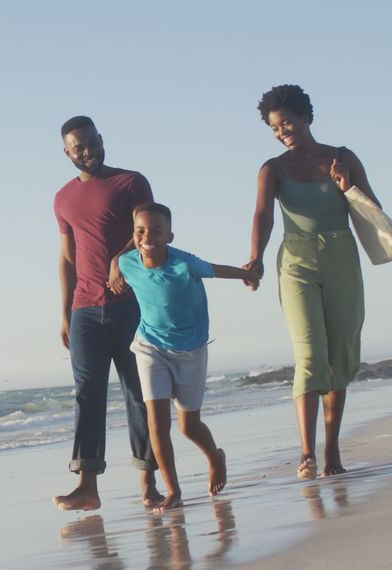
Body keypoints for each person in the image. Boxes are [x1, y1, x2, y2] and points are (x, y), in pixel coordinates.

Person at [242, 85, 382, 479]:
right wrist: (255, 257)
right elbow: (263, 216)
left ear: (306, 116)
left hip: (341, 256)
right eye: (274, 127)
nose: (281, 131)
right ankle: (306, 453)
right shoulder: (273, 168)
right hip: (296, 261)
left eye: (287, 121)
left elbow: (375, 212)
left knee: (340, 354)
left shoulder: (343, 157)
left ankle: (332, 450)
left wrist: (346, 186)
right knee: (309, 354)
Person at [118, 203, 259, 513]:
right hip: (149, 347)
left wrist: (246, 275)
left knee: (188, 426)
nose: (148, 237)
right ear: (133, 235)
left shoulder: (185, 264)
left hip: (191, 351)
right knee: (157, 423)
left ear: (170, 235)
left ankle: (215, 457)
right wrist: (114, 270)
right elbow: (118, 262)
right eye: (140, 231)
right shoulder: (128, 263)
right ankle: (174, 491)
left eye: (156, 231)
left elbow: (216, 269)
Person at [52, 116, 162, 511]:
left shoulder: (131, 183)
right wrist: (65, 314)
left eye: (91, 142)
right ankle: (87, 486)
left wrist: (120, 259)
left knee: (139, 392)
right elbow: (67, 259)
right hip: (84, 309)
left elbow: (147, 232)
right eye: (78, 147)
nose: (88, 151)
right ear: (66, 153)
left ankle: (148, 483)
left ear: (101, 139)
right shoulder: (62, 198)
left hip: (131, 304)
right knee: (87, 393)